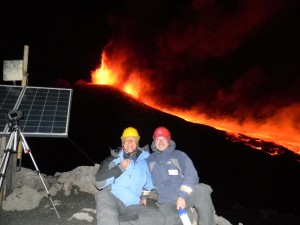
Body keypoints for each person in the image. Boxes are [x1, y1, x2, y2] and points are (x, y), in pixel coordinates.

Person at [94, 127, 165, 225]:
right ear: (122, 143)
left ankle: (120, 221)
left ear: (137, 143)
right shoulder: (113, 159)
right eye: (127, 140)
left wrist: (144, 197)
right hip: (114, 200)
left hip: (132, 205)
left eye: (133, 140)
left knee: (158, 217)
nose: (130, 142)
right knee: (102, 195)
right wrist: (120, 168)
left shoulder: (145, 162)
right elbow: (99, 183)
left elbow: (148, 183)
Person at [146, 127, 216, 225]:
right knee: (168, 221)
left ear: (169, 140)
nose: (161, 142)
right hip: (166, 202)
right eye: (158, 139)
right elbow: (143, 179)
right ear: (154, 141)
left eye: (164, 139)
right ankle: (189, 215)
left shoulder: (179, 156)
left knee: (202, 189)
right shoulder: (149, 160)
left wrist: (182, 196)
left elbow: (192, 176)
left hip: (186, 197)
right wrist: (143, 197)